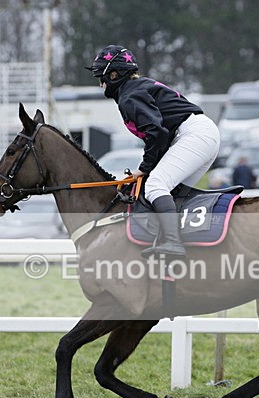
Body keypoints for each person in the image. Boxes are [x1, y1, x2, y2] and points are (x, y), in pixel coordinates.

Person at [87, 44, 220, 257]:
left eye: (101, 77)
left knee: (155, 185)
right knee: (172, 193)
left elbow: (157, 133)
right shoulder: (135, 88)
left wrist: (144, 168)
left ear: (113, 75)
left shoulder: (129, 96)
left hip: (194, 135)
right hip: (200, 134)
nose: (100, 84)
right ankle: (182, 247)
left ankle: (174, 243)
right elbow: (160, 134)